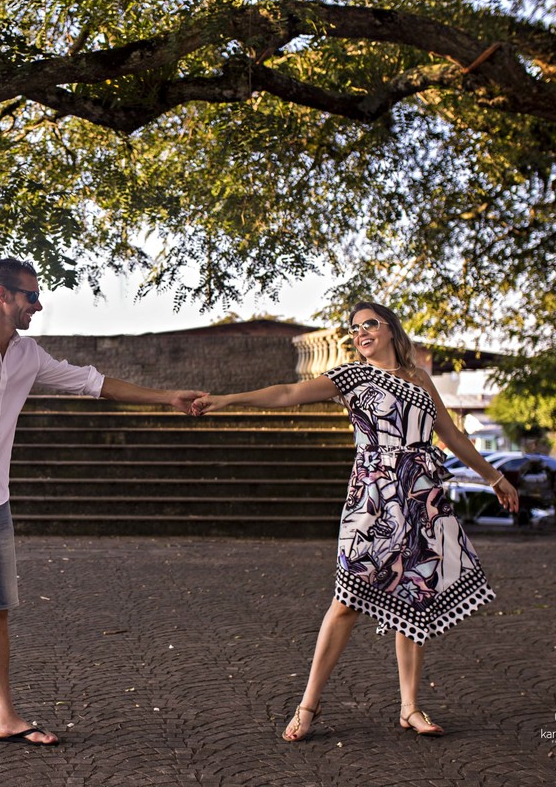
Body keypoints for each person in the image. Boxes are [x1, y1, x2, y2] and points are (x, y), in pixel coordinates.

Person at [0, 258, 205, 764]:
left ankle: (3, 715)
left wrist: (167, 397)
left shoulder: (27, 355)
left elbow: (92, 382)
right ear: (1, 295)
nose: (37, 306)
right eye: (29, 297)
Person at [192, 301, 518, 742]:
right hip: (373, 499)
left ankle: (410, 707)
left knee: (416, 596)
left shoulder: (419, 378)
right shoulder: (351, 376)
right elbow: (288, 393)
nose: (361, 332)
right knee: (346, 601)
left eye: (370, 324)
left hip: (422, 496)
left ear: (390, 330)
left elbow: (451, 434)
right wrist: (230, 399)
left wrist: (494, 476)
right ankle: (308, 705)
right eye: (354, 328)